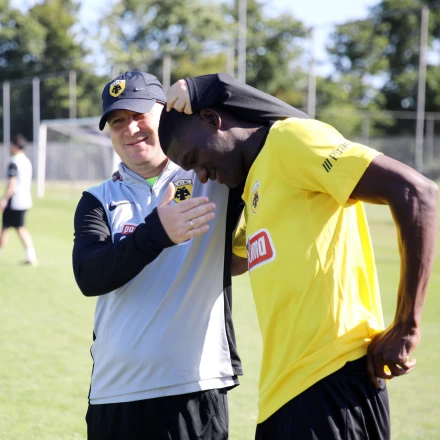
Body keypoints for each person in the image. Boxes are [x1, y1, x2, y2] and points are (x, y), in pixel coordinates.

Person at [158, 73, 439, 439]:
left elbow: (417, 193)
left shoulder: (291, 140)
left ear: (212, 119)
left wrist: (406, 326)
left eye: (195, 159)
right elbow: (232, 262)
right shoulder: (256, 181)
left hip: (333, 381)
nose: (202, 175)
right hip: (281, 397)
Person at [72, 71, 246, 440]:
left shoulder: (211, 173)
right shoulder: (97, 199)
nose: (130, 129)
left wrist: (203, 87)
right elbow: (90, 276)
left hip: (195, 386)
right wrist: (157, 233)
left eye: (139, 115)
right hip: (114, 391)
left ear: (165, 114)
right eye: (117, 121)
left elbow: (277, 123)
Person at [0, 134, 37, 266]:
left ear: (15, 146)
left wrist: (4, 199)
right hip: (25, 200)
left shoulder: (14, 162)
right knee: (20, 227)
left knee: (6, 228)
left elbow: (12, 184)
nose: (9, 147)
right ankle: (31, 255)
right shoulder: (26, 161)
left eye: (11, 144)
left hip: (14, 200)